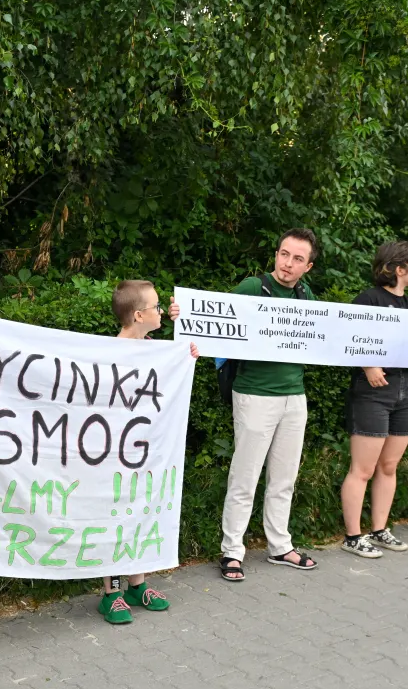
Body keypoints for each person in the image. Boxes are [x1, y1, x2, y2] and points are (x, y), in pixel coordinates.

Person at [218, 229, 321, 580]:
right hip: (254, 394)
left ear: (308, 266)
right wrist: (182, 315)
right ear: (276, 254)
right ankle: (232, 551)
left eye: (296, 259)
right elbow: (214, 321)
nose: (287, 264)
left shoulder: (307, 296)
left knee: (284, 478)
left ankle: (280, 545)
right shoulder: (252, 287)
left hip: (294, 395)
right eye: (283, 254)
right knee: (245, 477)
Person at [97, 281, 198, 622]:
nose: (162, 312)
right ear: (138, 315)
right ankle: (111, 590)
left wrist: (185, 356)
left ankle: (138, 582)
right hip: (114, 454)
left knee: (141, 512)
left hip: (146, 452)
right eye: (156, 307)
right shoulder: (112, 351)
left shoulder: (155, 348)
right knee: (115, 517)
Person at [338, 241, 408, 559]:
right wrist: (369, 365)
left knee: (389, 466)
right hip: (371, 394)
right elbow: (346, 335)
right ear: (399, 269)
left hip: (403, 389)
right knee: (363, 468)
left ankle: (379, 529)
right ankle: (352, 536)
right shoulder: (369, 299)